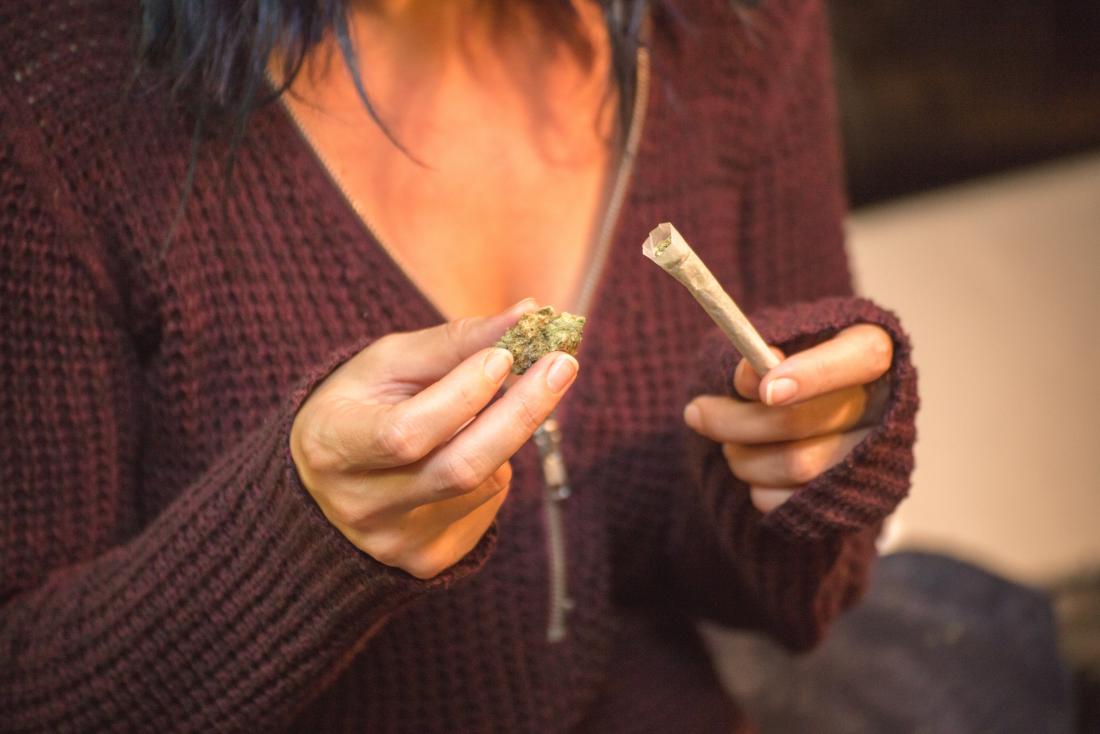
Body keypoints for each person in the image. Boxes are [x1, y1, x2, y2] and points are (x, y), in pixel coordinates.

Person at [0, 0, 917, 731]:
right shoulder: (53, 82)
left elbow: (802, 604)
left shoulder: (736, 26)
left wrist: (801, 475)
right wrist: (296, 538)